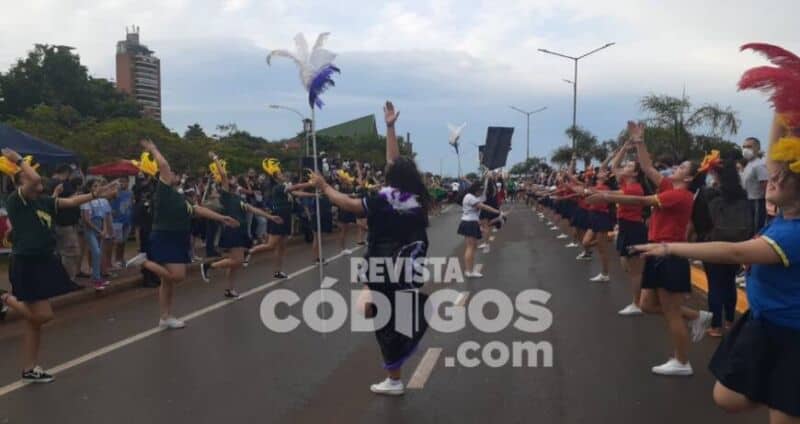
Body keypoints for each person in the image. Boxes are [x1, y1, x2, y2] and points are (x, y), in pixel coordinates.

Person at [634, 113, 800, 423]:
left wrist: (670, 248)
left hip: (792, 336)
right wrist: (780, 106)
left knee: (782, 417)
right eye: (774, 175)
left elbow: (731, 251)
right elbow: (778, 158)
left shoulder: (794, 233)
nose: (772, 179)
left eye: (781, 179)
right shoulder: (785, 217)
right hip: (764, 325)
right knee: (727, 397)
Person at [309, 101, 430, 396]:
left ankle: (395, 377)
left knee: (381, 319)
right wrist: (390, 127)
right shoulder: (415, 198)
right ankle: (398, 364)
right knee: (388, 315)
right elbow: (394, 163)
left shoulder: (384, 199)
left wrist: (324, 187)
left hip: (384, 265)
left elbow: (349, 204)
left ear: (392, 180)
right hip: (407, 266)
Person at [587, 121, 711, 376]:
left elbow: (642, 200)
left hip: (669, 254)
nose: (675, 168)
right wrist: (639, 141)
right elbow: (647, 167)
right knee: (646, 305)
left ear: (688, 178)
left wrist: (608, 197)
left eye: (682, 167)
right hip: (656, 250)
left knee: (671, 312)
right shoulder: (669, 187)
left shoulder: (680, 196)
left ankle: (681, 361)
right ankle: (697, 316)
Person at [0, 147, 117, 383]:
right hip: (27, 262)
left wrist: (97, 195)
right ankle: (5, 299)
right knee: (42, 316)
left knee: (35, 322)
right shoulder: (17, 200)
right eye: (28, 175)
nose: (35, 177)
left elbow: (72, 200)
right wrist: (19, 160)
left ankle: (29, 368)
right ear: (20, 181)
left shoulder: (44, 201)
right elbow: (31, 178)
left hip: (44, 261)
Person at [125, 139, 240, 329]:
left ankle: (165, 316)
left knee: (167, 281)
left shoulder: (176, 194)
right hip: (165, 236)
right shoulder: (162, 190)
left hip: (178, 237)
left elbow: (196, 209)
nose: (174, 174)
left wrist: (221, 218)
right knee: (177, 277)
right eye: (172, 173)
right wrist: (153, 148)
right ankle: (144, 262)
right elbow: (163, 165)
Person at [200, 153, 283, 298]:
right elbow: (223, 175)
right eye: (231, 178)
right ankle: (209, 266)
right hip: (232, 230)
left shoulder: (237, 197)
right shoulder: (225, 194)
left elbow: (252, 209)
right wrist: (215, 159)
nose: (233, 179)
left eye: (232, 178)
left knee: (234, 264)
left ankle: (229, 289)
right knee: (237, 261)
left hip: (239, 230)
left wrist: (270, 217)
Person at [609, 141, 648, 315]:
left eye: (630, 165)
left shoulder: (634, 189)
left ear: (635, 172)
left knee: (634, 270)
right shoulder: (626, 183)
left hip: (633, 228)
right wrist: (624, 148)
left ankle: (637, 304)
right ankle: (644, 289)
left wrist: (593, 193)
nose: (625, 166)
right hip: (625, 227)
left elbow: (612, 196)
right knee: (626, 264)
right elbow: (614, 165)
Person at [458, 180, 503, 278]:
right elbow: (483, 206)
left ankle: (469, 269)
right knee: (470, 247)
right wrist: (497, 212)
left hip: (470, 222)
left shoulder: (472, 197)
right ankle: (469, 271)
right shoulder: (469, 197)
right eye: (480, 190)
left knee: (472, 247)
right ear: (475, 189)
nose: (481, 192)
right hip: (469, 223)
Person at [48, 165, 83, 280]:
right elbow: (73, 199)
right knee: (71, 253)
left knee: (64, 252)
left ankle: (63, 279)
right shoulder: (60, 183)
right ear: (66, 172)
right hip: (65, 224)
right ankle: (68, 280)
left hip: (61, 223)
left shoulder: (52, 183)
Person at [81, 178, 113, 290]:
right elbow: (86, 219)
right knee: (96, 252)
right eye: (94, 186)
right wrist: (99, 231)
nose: (97, 188)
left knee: (98, 253)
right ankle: (96, 278)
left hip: (100, 228)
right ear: (89, 188)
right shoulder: (86, 200)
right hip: (91, 229)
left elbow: (104, 216)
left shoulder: (101, 200)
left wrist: (104, 229)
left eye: (98, 186)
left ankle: (98, 276)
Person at [741, 136, 769, 234]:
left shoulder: (759, 165)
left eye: (749, 147)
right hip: (748, 201)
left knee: (756, 229)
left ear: (757, 148)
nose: (745, 149)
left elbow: (765, 185)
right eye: (744, 147)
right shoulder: (749, 165)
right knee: (750, 228)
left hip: (757, 202)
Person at [111, 177, 134, 269]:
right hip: (117, 221)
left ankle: (121, 258)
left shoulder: (130, 193)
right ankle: (117, 260)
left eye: (125, 181)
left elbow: (131, 204)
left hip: (127, 220)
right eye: (121, 182)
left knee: (123, 242)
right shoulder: (115, 193)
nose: (123, 183)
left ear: (128, 182)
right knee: (118, 242)